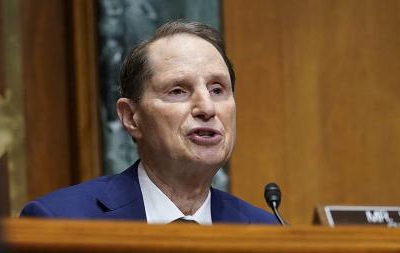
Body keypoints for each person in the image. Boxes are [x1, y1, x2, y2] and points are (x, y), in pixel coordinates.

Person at [21, 20, 277, 224]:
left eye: (217, 90)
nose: (207, 108)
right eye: (178, 91)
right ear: (131, 117)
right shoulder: (60, 221)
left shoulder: (267, 233)